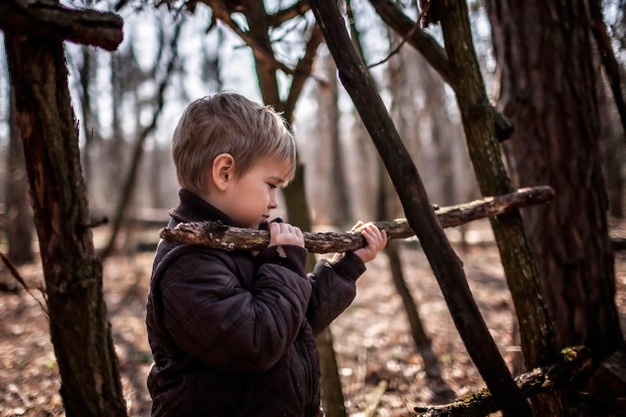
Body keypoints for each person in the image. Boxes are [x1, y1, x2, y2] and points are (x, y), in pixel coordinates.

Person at [145, 92, 387, 417]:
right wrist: (284, 265)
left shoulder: (243, 243)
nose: (274, 202)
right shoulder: (188, 263)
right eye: (271, 184)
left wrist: (346, 267)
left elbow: (292, 320)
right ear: (225, 173)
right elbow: (257, 343)